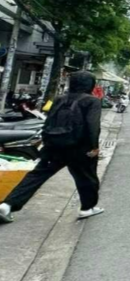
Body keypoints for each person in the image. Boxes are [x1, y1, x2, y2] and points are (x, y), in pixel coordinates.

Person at [0, 71, 104, 224]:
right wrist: (94, 147)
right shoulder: (92, 101)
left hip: (54, 146)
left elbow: (49, 121)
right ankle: (87, 208)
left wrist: (47, 142)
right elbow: (93, 125)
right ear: (91, 85)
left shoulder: (60, 99)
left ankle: (7, 205)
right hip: (79, 149)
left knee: (36, 176)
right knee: (87, 178)